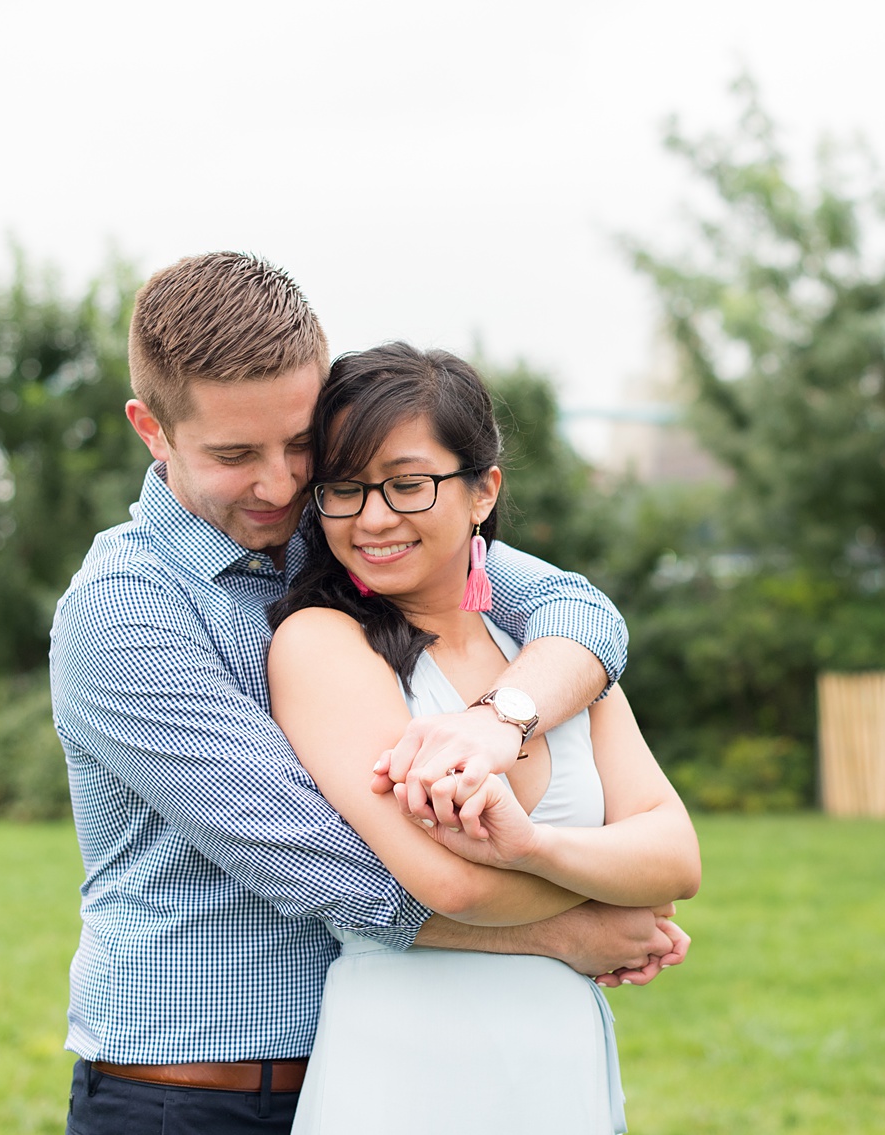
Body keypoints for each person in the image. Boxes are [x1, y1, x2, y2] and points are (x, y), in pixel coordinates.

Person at [50, 252, 688, 1135]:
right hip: (194, 1097)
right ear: (152, 430)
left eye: (300, 444)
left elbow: (578, 612)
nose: (280, 485)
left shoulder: (347, 521)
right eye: (235, 454)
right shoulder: (126, 610)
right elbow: (333, 869)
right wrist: (565, 929)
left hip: (360, 1067)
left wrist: (500, 723)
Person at [268, 343, 701, 1134]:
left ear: (482, 490)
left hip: (560, 1060)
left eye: (407, 484)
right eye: (346, 489)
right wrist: (602, 894)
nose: (373, 518)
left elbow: (675, 858)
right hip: (406, 1064)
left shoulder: (552, 662)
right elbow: (449, 882)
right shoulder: (323, 643)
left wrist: (530, 847)